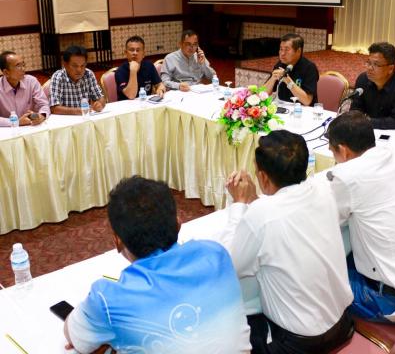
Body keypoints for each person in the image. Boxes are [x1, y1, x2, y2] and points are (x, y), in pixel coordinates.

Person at [64, 175, 251, 354]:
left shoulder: (107, 299)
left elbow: (73, 335)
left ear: (117, 241)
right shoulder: (217, 255)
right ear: (178, 224)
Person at [223, 130, 354, 354]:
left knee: (227, 325)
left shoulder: (261, 214)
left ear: (263, 177)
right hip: (343, 323)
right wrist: (256, 202)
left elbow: (230, 266)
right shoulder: (324, 190)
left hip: (298, 344)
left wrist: (239, 204)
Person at [326, 111, 395, 322]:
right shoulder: (392, 154)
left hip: (386, 299)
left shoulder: (348, 177)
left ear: (343, 150)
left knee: (312, 274)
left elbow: (327, 220)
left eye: (333, 152)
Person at [351, 42, 395, 129]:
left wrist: (367, 122)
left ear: (390, 68)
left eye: (376, 64)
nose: (369, 68)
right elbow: (355, 109)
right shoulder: (363, 79)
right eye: (369, 63)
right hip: (365, 131)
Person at [264, 33, 318, 106]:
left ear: (298, 51)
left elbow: (307, 101)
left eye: (287, 50)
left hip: (303, 110)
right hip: (284, 108)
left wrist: (289, 82)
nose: (282, 53)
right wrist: (272, 79)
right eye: (281, 49)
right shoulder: (280, 64)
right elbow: (263, 94)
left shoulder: (309, 68)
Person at [50, 45, 105, 115]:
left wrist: (100, 104)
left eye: (82, 66)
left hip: (86, 117)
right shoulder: (58, 77)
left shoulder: (88, 74)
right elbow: (54, 108)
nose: (79, 70)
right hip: (66, 119)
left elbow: (100, 98)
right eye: (75, 66)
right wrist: (78, 111)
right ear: (65, 65)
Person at [0, 51, 50, 126]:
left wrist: (42, 115)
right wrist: (16, 122)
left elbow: (44, 104)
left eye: (23, 65)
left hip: (31, 126)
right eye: (18, 66)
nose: (23, 69)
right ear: (6, 72)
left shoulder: (31, 81)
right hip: (8, 129)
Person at [115, 35, 166, 100]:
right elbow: (131, 95)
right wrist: (133, 71)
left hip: (146, 103)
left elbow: (159, 84)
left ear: (143, 54)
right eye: (132, 50)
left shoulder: (149, 65)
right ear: (126, 53)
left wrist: (160, 89)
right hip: (127, 104)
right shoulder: (120, 71)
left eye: (138, 50)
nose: (135, 53)